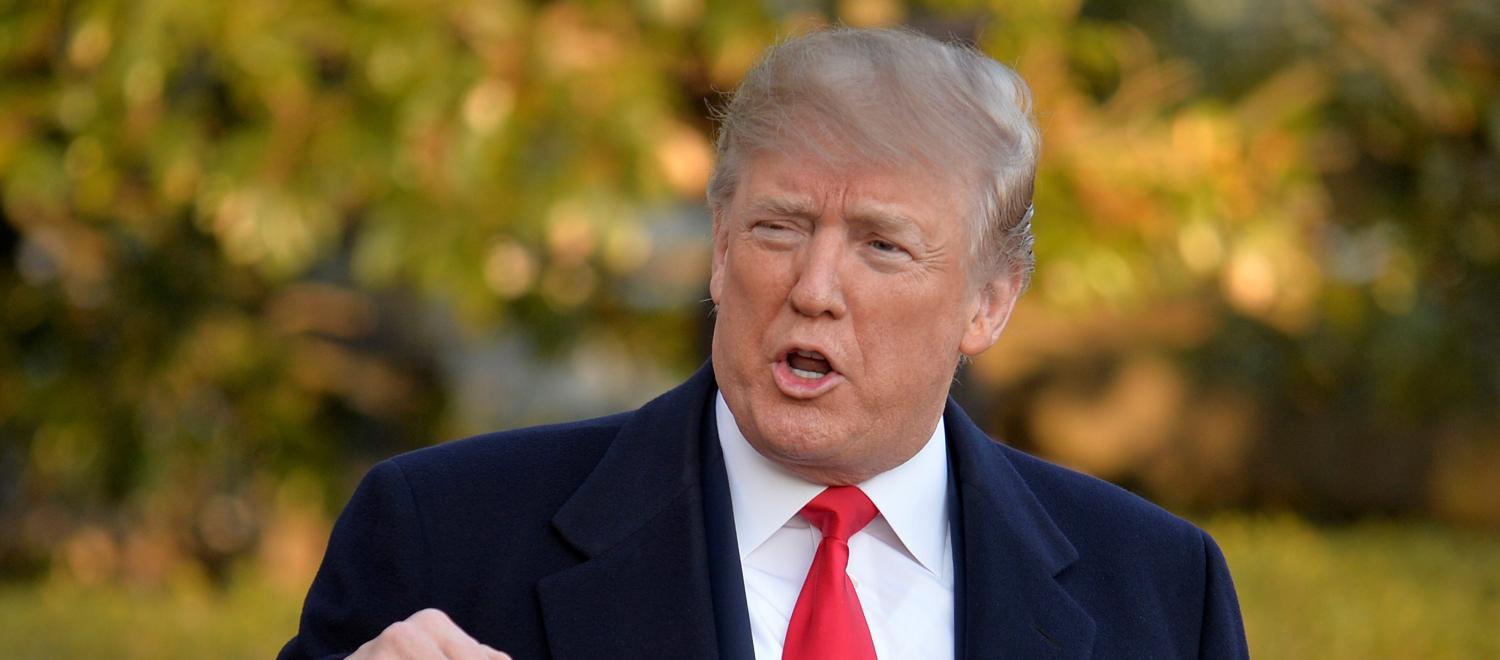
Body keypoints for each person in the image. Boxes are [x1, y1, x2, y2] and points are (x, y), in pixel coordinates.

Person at [280, 27, 1249, 660]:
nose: (813, 288)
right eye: (780, 227)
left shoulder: (1163, 592)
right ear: (718, 244)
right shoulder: (441, 538)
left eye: (881, 245)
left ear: (989, 302)